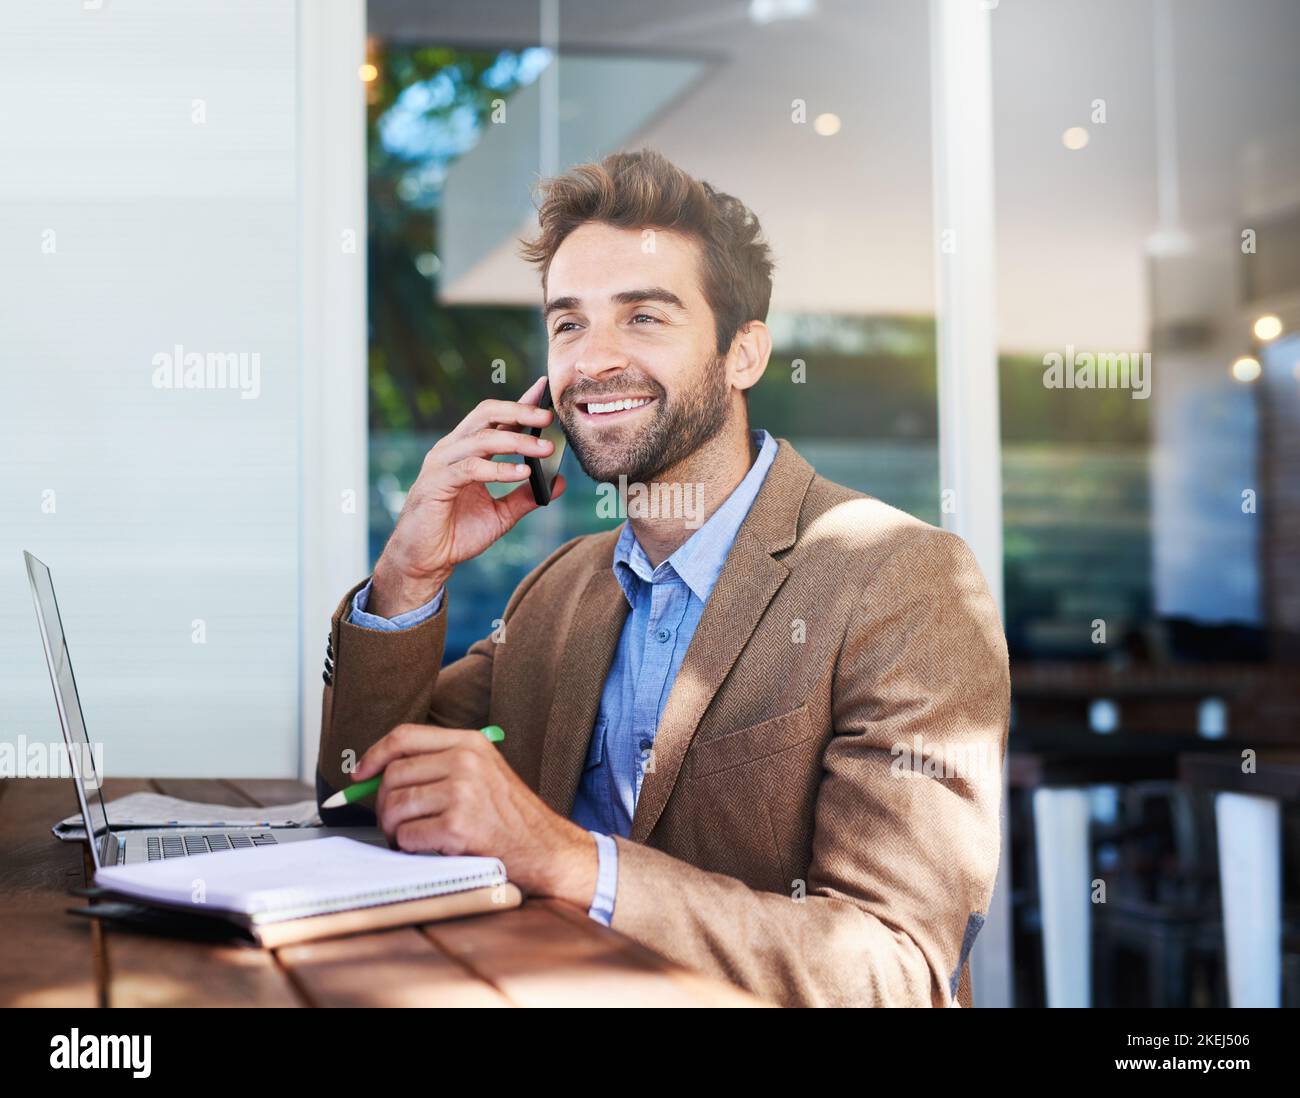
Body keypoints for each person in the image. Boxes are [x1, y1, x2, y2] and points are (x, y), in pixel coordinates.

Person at [317, 148, 1008, 1007]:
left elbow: (899, 972)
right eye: (568, 323)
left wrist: (568, 860)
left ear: (743, 354)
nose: (594, 360)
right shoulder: (558, 591)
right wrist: (408, 572)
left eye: (643, 317)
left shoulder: (901, 578)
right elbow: (360, 791)